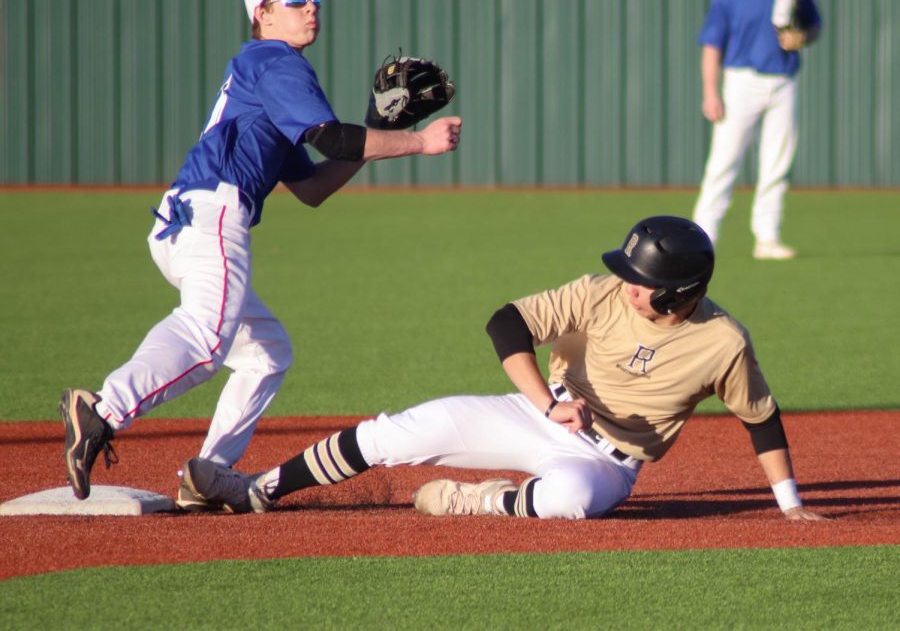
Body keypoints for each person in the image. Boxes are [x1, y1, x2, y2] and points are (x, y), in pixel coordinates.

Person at [58, 0, 463, 509]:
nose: (311, 6)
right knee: (206, 339)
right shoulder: (275, 61)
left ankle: (207, 473)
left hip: (185, 221)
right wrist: (419, 143)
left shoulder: (265, 79)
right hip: (213, 216)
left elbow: (315, 185)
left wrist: (379, 123)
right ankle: (102, 410)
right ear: (263, 14)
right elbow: (334, 138)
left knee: (267, 352)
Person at [180, 216, 826, 522]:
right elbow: (506, 322)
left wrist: (791, 506)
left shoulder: (723, 341)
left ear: (677, 292)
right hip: (535, 413)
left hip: (609, 462)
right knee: (397, 432)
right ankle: (256, 488)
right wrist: (547, 403)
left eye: (641, 279)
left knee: (570, 498)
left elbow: (761, 421)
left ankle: (483, 499)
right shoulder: (600, 292)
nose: (626, 282)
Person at [692, 0, 821, 260]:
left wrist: (803, 37)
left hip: (783, 80)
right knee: (723, 162)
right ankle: (702, 239)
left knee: (777, 160)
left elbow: (813, 27)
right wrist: (710, 92)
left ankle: (768, 237)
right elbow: (712, 45)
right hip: (741, 81)